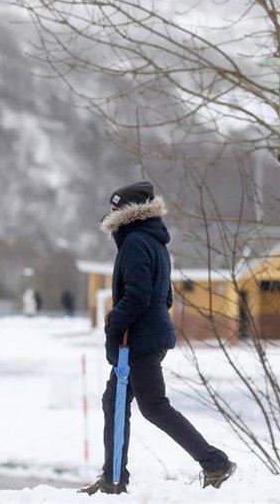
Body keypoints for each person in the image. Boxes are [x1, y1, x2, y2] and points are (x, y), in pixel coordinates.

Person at [80, 181, 235, 496]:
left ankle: (214, 461)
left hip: (139, 342)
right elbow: (165, 297)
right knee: (115, 401)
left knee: (154, 407)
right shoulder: (155, 242)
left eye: (113, 209)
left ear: (126, 213)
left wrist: (114, 320)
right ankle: (113, 478)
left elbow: (138, 296)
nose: (108, 214)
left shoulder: (136, 242)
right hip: (146, 337)